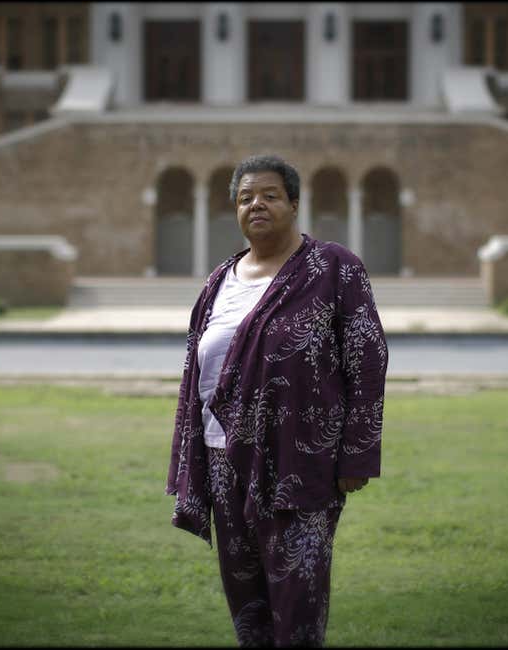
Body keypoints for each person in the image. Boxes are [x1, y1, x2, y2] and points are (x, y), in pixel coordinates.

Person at [165, 154, 388, 647]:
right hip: (225, 461)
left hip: (300, 460)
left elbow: (367, 361)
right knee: (248, 609)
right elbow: (194, 375)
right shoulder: (218, 281)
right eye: (245, 198)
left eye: (268, 195)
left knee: (298, 607)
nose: (256, 205)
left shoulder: (333, 269)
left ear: (293, 203)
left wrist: (356, 453)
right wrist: (193, 463)